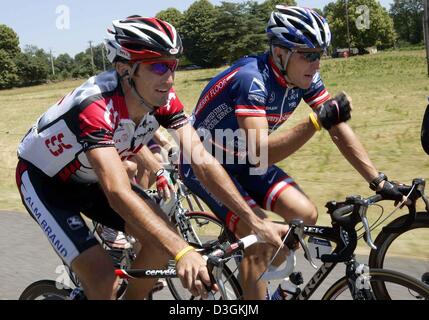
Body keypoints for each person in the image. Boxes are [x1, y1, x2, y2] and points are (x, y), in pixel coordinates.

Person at [15, 15, 288, 300]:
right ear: (125, 69)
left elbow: (202, 162)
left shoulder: (164, 99)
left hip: (88, 178)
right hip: (45, 183)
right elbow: (118, 192)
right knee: (102, 278)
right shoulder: (94, 106)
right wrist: (183, 252)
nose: (169, 78)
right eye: (158, 66)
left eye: (173, 66)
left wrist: (253, 220)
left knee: (160, 242)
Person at [180, 5, 404, 299]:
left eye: (319, 54)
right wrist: (314, 123)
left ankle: (273, 286)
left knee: (305, 214)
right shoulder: (252, 80)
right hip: (205, 165)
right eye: (308, 54)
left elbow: (335, 127)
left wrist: (378, 180)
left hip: (244, 159)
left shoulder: (300, 78)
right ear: (280, 52)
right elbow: (263, 153)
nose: (316, 63)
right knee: (259, 241)